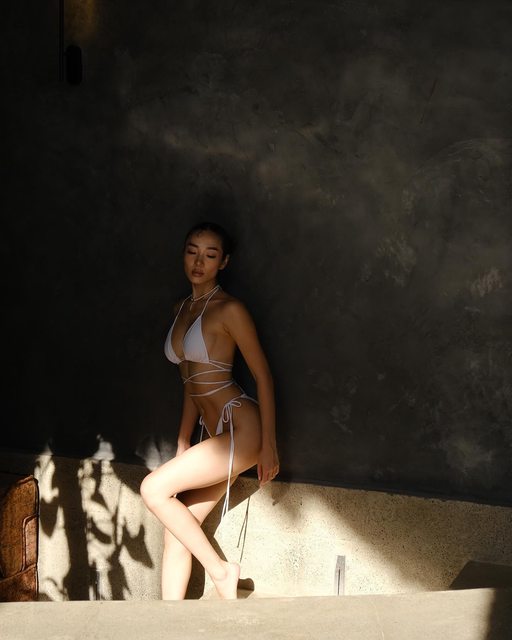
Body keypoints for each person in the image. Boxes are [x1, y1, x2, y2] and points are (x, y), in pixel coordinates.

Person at [140, 221, 279, 600]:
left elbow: (263, 376)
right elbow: (190, 381)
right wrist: (183, 440)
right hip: (214, 433)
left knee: (153, 489)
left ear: (224, 262)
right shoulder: (182, 308)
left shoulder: (230, 309)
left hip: (242, 427)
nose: (199, 262)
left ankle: (221, 571)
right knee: (177, 530)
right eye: (192, 252)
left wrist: (269, 445)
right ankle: (169, 620)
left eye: (210, 255)